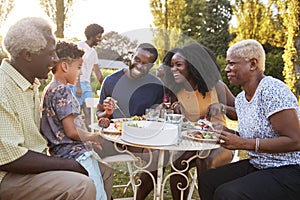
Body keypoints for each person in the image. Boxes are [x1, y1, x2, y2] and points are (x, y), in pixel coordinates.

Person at [0, 17, 96, 199]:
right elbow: (9, 157)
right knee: (81, 186)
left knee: (102, 172)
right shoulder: (3, 89)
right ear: (28, 55)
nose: (55, 60)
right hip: (7, 176)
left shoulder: (30, 84)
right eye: (50, 54)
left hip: (27, 168)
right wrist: (66, 164)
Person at [198, 39, 300, 200]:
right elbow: (254, 134)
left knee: (228, 193)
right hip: (260, 164)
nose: (227, 69)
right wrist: (226, 133)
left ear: (253, 64)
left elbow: (296, 141)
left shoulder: (272, 90)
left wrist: (242, 143)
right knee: (208, 180)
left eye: (232, 64)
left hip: (290, 169)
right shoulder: (240, 99)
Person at [161, 43, 236, 200]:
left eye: (178, 65)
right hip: (194, 143)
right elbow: (176, 120)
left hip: (221, 142)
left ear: (193, 67)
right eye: (172, 65)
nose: (173, 69)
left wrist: (223, 108)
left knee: (205, 161)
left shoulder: (217, 87)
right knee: (177, 166)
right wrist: (174, 108)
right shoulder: (178, 91)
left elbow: (240, 113)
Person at [41, 41, 113, 200]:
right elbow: (71, 131)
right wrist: (93, 137)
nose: (80, 73)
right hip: (74, 154)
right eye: (78, 67)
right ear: (65, 66)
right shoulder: (62, 90)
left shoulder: (50, 89)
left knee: (106, 173)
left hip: (64, 151)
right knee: (97, 194)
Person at [96, 43, 165, 199]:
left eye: (145, 64)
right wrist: (106, 114)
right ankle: (106, 197)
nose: (139, 65)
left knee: (158, 159)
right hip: (114, 139)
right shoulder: (111, 81)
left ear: (152, 65)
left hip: (141, 141)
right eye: (137, 59)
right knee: (88, 154)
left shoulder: (156, 86)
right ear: (132, 56)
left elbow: (158, 117)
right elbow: (99, 115)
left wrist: (159, 112)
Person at [69, 23, 104, 131]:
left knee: (89, 112)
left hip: (86, 85)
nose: (100, 39)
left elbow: (97, 71)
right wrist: (78, 85)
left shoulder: (93, 52)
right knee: (76, 113)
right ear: (92, 36)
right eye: (98, 36)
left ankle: (91, 138)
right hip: (76, 84)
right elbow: (76, 67)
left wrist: (105, 85)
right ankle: (77, 138)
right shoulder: (79, 47)